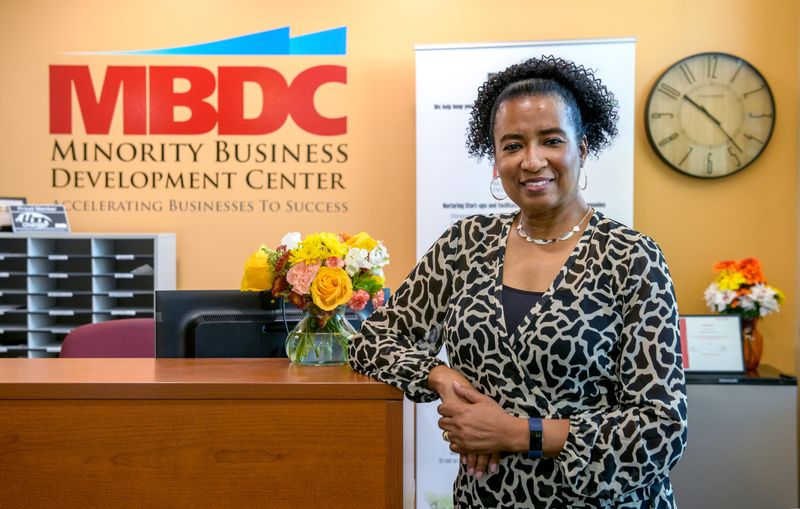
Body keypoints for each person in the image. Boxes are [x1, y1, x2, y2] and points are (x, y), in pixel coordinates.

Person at [350, 55, 687, 508]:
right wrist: (438, 375)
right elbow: (372, 339)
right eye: (512, 146)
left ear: (582, 148)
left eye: (550, 140)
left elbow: (661, 429)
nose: (531, 161)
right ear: (496, 159)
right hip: (487, 497)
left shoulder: (632, 258)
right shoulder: (465, 244)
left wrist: (515, 432)